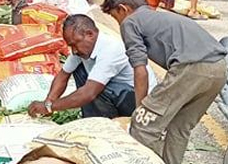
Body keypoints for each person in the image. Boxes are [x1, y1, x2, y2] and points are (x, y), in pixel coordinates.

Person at [102, 0, 228, 164]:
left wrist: (141, 108)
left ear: (123, 9)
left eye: (114, 16)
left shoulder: (130, 22)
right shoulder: (157, 17)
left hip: (190, 67)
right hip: (218, 69)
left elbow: (140, 69)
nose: (117, 22)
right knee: (180, 127)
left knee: (143, 126)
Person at [27, 14, 156, 119]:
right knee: (79, 70)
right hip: (118, 93)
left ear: (89, 34)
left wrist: (51, 106)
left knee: (95, 89)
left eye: (75, 44)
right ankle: (93, 118)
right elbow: (63, 75)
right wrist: (48, 102)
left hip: (139, 100)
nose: (74, 51)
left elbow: (89, 93)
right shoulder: (81, 50)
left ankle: (106, 125)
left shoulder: (111, 49)